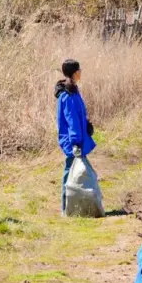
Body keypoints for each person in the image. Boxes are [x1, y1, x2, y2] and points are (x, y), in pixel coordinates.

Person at [55, 59, 96, 213]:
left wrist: (87, 124)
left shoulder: (73, 90)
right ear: (74, 72)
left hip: (77, 139)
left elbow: (78, 116)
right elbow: (71, 120)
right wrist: (76, 142)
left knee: (75, 172)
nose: (81, 72)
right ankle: (66, 208)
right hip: (73, 141)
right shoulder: (68, 94)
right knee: (70, 172)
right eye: (79, 70)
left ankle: (74, 206)